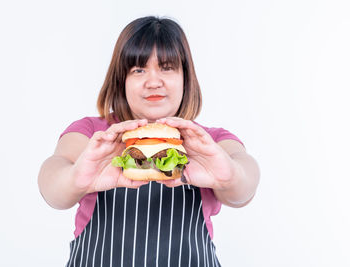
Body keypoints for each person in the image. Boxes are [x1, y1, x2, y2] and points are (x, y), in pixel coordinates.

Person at [38, 16, 260, 267]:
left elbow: (246, 184)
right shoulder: (94, 134)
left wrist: (229, 176)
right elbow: (52, 183)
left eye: (167, 68)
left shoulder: (209, 142)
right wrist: (76, 178)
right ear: (121, 81)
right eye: (138, 69)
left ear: (186, 78)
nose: (153, 82)